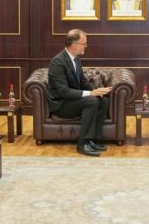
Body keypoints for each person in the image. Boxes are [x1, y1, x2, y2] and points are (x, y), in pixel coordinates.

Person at [47, 29, 112, 157]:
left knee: (103, 101)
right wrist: (91, 93)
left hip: (73, 100)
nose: (86, 46)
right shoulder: (57, 62)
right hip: (62, 104)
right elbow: (64, 92)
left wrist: (97, 91)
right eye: (84, 43)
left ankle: (92, 140)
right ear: (74, 45)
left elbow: (82, 82)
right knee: (91, 100)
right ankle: (82, 144)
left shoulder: (76, 59)